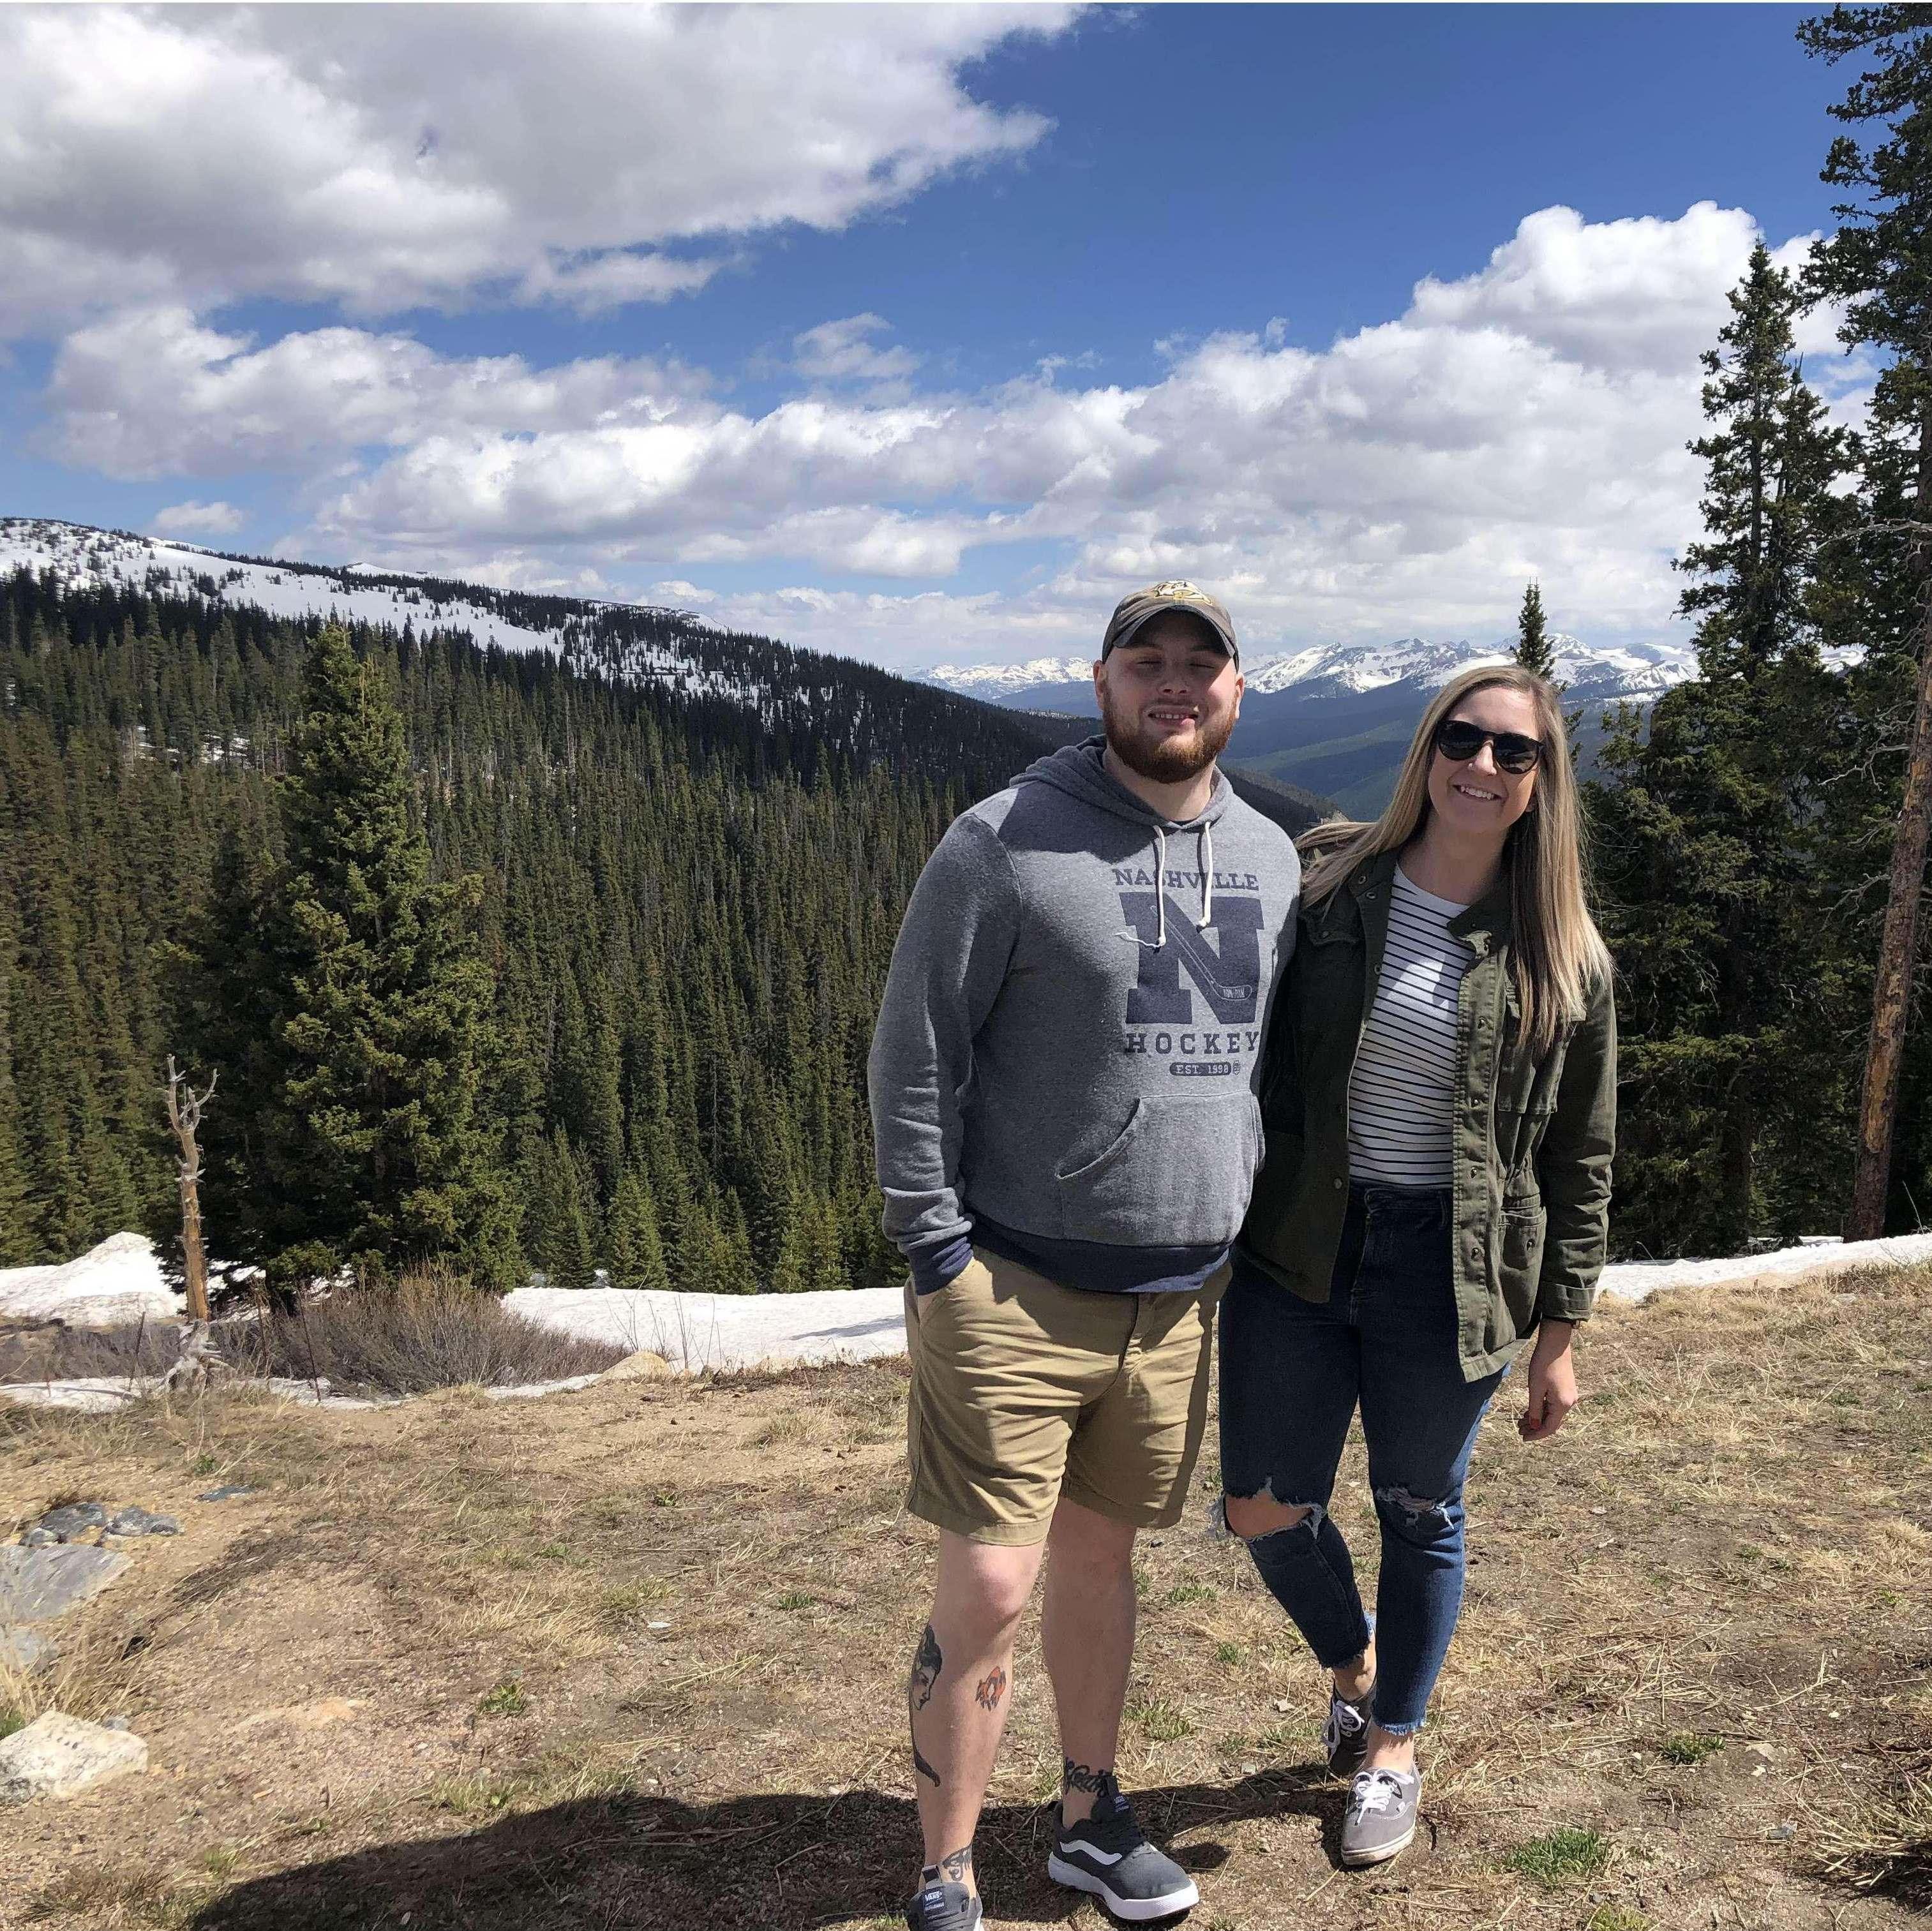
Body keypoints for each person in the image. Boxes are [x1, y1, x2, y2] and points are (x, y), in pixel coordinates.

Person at [869, 582, 1301, 1930]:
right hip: (1010, 1280)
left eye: (1201, 663)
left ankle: (1087, 1814)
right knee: (992, 1579)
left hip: (1174, 1304)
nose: (1175, 683)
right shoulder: (1003, 840)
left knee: (1101, 1564)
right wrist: (936, 1249)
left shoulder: (1271, 856)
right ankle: (944, 1865)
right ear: (1101, 678)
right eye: (1146, 660)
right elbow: (914, 1050)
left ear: (1237, 688)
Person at [1219, 662, 1615, 1870]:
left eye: (1515, 752)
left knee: (1419, 1507)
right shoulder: (1333, 883)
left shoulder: (1564, 955)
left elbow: (1581, 1155)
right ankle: (1357, 1661)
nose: (1483, 765)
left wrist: (1561, 1336)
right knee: (1263, 1505)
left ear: (1543, 784)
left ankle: (1392, 1742)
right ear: (1426, 748)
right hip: (1300, 1244)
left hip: (1455, 1267)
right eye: (1463, 737)